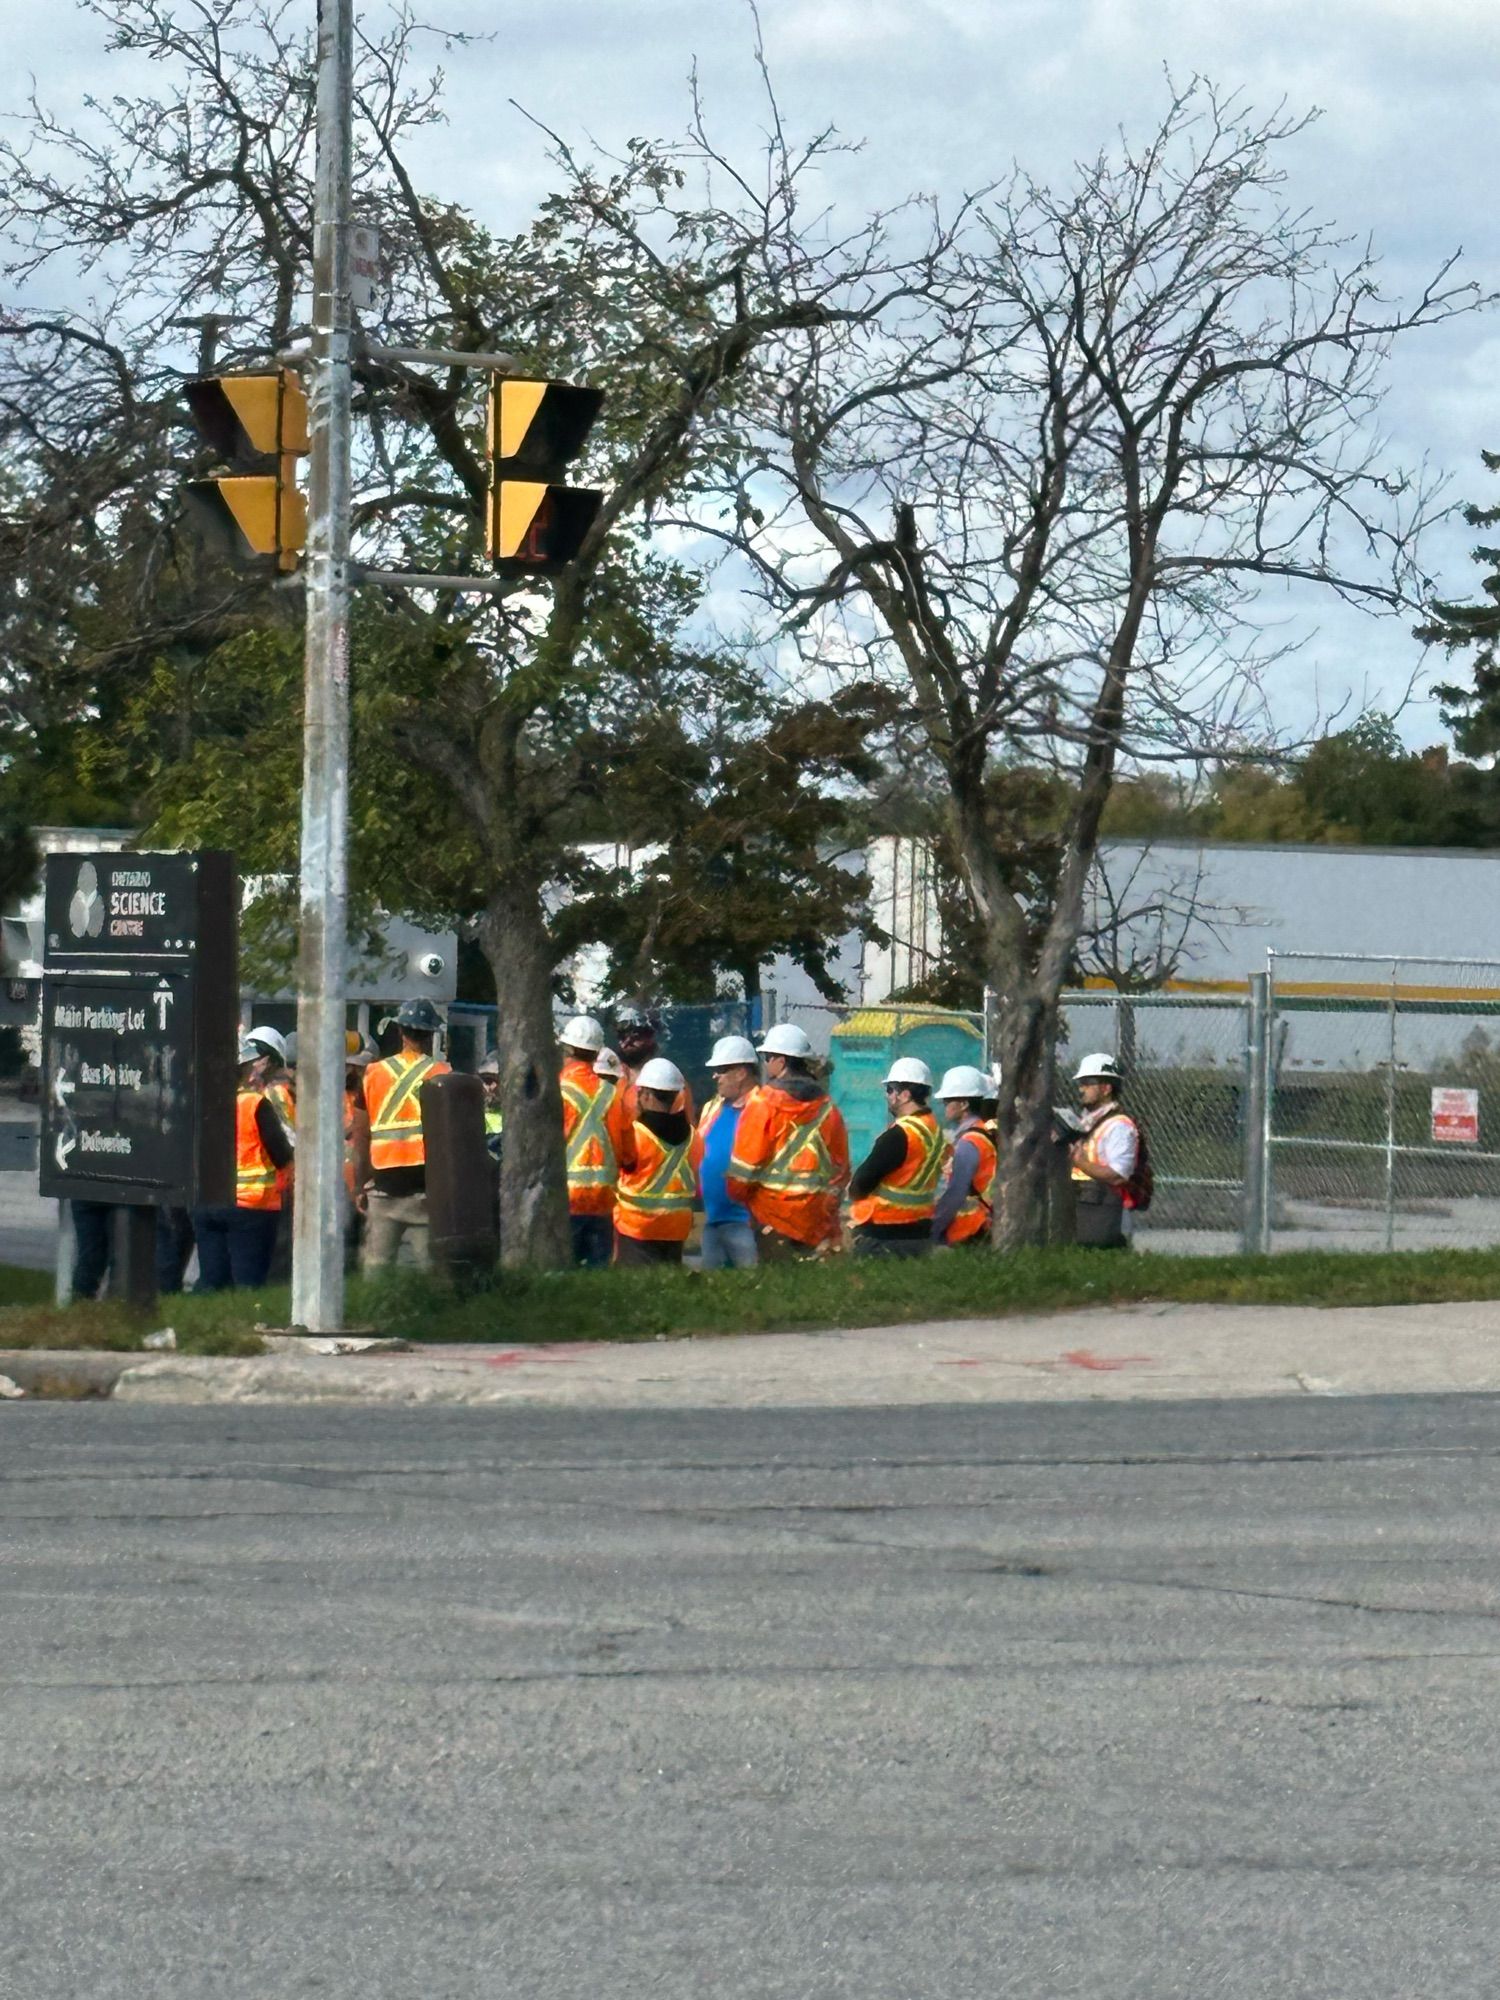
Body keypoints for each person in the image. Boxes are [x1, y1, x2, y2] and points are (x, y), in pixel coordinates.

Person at [726, 1023, 848, 1260]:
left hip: (773, 1220)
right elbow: (840, 1171)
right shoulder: (828, 1109)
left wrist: (749, 1202)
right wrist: (826, 1209)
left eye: (767, 1057)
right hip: (817, 1224)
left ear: (780, 1061)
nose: (765, 1063)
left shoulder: (762, 1105)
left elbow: (741, 1175)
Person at [357, 997, 450, 1272]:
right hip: (425, 1185)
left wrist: (359, 1184)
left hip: (384, 1183)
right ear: (432, 1034)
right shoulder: (442, 1073)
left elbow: (361, 1135)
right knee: (428, 1269)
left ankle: (374, 1312)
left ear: (400, 1031)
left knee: (377, 1266)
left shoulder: (373, 1073)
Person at [193, 1040, 295, 1290]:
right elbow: (280, 1152)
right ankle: (248, 1324)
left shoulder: (199, 1101)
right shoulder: (254, 1103)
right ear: (245, 1068)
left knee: (212, 1282)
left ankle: (212, 1326)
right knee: (249, 1282)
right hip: (251, 1205)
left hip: (205, 1202)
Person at [847, 1056, 945, 1257]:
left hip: (884, 1233)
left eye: (890, 1090)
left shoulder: (898, 1136)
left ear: (905, 1095)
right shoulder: (935, 1130)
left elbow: (860, 1184)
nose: (887, 1095)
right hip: (922, 1232)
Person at [559, 1014, 633, 1268]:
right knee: (598, 1277)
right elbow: (629, 1155)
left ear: (567, 1050)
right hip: (604, 1200)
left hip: (565, 1199)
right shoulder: (613, 1094)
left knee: (564, 1276)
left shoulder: (558, 1091)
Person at [613, 1058, 703, 1267]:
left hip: (636, 1229)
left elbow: (619, 1166)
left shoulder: (635, 1135)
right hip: (676, 1229)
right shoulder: (693, 1138)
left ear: (644, 1095)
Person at [696, 1035, 761, 1269]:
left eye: (721, 1070)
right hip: (713, 1220)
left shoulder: (763, 1107)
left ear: (742, 1072)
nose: (715, 1076)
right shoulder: (712, 1107)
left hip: (748, 1223)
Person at [1068, 1053, 1141, 1250]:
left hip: (1106, 1219)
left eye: (1087, 1083)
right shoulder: (1085, 1122)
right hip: (1085, 1212)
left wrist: (1080, 1162)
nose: (1081, 1089)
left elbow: (1118, 1176)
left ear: (1106, 1088)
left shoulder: (1119, 1126)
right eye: (1081, 1083)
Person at [931, 1065, 997, 1248]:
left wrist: (933, 1231)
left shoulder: (969, 1142)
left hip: (970, 1230)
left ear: (964, 1104)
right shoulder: (983, 1133)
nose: (944, 1105)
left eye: (948, 1100)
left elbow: (956, 1193)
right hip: (983, 1224)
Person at [615, 1005, 694, 1123]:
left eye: (635, 1036)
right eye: (622, 1036)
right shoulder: (610, 1077)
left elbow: (687, 1128)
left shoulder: (670, 1081)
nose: (627, 1042)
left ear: (650, 1037)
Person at [478, 1052, 503, 1163]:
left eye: (497, 1081)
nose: (491, 1086)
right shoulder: (472, 1114)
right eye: (487, 1081)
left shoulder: (517, 1114)